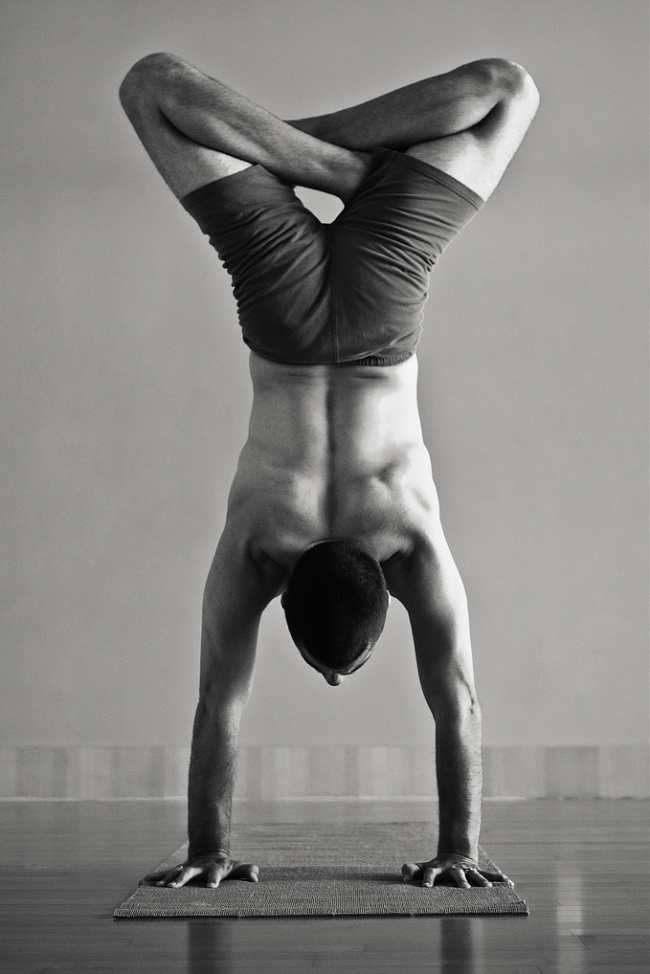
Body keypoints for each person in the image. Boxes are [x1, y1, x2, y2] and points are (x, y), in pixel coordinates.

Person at [118, 51, 539, 891]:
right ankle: (319, 161)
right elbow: (218, 703)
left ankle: (327, 165)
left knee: (507, 90)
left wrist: (460, 849)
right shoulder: (259, 548)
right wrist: (207, 849)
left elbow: (459, 702)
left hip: (384, 306)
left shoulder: (408, 545)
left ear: (386, 592)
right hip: (282, 315)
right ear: (285, 602)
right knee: (152, 87)